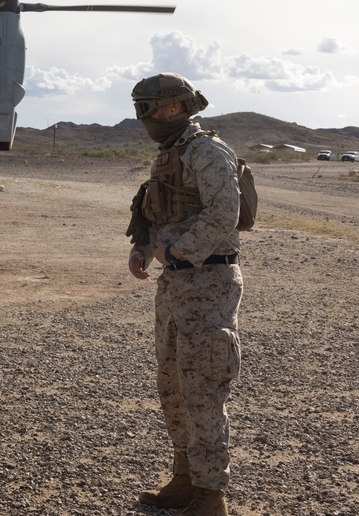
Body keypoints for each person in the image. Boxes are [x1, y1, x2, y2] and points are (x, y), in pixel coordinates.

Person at [127, 72, 243, 516]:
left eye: (149, 109)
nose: (146, 119)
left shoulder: (206, 151)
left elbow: (224, 213)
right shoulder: (169, 156)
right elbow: (161, 213)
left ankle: (211, 495)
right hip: (175, 283)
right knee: (172, 385)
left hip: (208, 280)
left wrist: (178, 250)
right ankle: (184, 478)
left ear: (174, 108)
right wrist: (143, 249)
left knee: (202, 387)